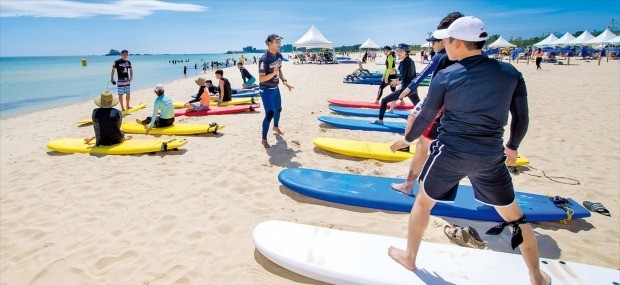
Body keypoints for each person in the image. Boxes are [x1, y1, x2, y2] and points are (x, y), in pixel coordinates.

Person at [386, 16, 550, 285]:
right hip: (490, 158)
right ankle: (536, 276)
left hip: (449, 155)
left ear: (458, 43)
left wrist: (407, 139)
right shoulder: (511, 73)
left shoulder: (447, 76)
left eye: (446, 40)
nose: (443, 44)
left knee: (423, 203)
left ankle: (410, 257)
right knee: (516, 218)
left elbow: (427, 116)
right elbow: (521, 118)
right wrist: (512, 146)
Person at [390, 11, 463, 194]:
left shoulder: (444, 56)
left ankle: (408, 185)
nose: (435, 44)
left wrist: (408, 88)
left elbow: (425, 75)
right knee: (414, 119)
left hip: (439, 103)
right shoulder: (470, 57)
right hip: (448, 103)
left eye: (437, 40)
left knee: (423, 143)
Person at [258, 33, 295, 148]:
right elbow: (261, 78)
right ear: (270, 44)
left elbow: (279, 70)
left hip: (275, 88)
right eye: (277, 42)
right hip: (266, 90)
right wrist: (273, 73)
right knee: (269, 113)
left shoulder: (279, 55)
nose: (279, 44)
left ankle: (276, 126)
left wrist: (284, 81)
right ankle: (264, 139)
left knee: (278, 110)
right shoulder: (264, 59)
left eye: (280, 42)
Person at [373, 43, 418, 125]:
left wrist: (395, 72)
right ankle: (426, 122)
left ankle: (380, 120)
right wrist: (397, 79)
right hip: (413, 88)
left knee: (384, 100)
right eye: (398, 51)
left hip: (405, 88)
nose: (398, 53)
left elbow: (402, 76)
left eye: (401, 51)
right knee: (419, 106)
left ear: (406, 52)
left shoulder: (404, 62)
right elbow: (412, 75)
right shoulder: (411, 61)